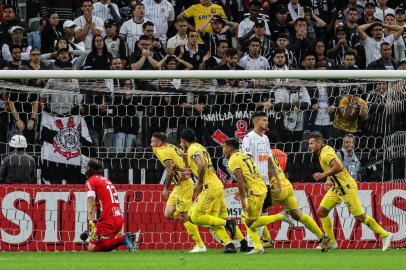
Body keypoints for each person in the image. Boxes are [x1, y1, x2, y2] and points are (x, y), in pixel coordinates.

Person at [308, 131, 392, 251]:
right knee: (322, 212)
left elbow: (339, 167)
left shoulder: (326, 153)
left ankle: (386, 235)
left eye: (312, 143)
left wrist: (323, 175)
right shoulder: (323, 151)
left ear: (320, 143)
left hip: (347, 187)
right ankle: (331, 242)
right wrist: (328, 179)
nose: (310, 146)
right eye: (309, 143)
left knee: (360, 216)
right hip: (337, 188)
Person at [180, 128, 237, 253]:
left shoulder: (192, 149)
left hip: (210, 187)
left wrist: (199, 183)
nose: (180, 144)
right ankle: (229, 245)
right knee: (211, 219)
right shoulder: (199, 146)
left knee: (194, 217)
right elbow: (200, 166)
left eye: (180, 142)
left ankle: (227, 223)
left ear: (184, 141)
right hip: (217, 185)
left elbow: (201, 165)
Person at [151, 132, 206, 253]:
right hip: (179, 185)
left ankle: (200, 245)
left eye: (153, 142)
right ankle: (189, 211)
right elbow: (183, 156)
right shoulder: (171, 146)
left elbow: (170, 170)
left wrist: (165, 188)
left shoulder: (161, 150)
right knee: (168, 214)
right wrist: (184, 169)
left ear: (159, 143)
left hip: (185, 185)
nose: (151, 144)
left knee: (183, 217)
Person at [84, 159, 139, 252]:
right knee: (97, 244)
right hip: (118, 218)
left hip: (108, 219)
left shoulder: (90, 181)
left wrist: (92, 226)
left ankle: (123, 238)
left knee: (91, 248)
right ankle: (122, 238)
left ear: (91, 169)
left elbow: (92, 205)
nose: (85, 169)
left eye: (87, 167)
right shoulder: (106, 180)